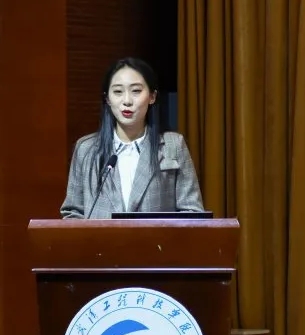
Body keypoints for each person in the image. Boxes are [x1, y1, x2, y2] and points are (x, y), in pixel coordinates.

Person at [60, 57, 205, 219]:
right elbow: (73, 213)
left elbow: (192, 213)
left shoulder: (173, 145)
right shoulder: (86, 149)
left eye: (136, 91)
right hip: (101, 237)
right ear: (107, 99)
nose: (127, 101)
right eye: (118, 92)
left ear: (152, 96)